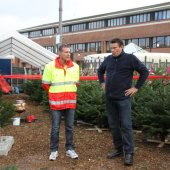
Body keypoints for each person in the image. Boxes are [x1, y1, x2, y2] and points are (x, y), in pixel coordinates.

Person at [97, 38, 149, 166]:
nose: (113, 50)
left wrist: (136, 88)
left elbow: (144, 71)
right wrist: (102, 82)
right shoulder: (108, 59)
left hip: (123, 99)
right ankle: (118, 149)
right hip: (110, 98)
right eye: (111, 48)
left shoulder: (130, 59)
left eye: (115, 48)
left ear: (122, 47)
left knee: (126, 126)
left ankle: (129, 153)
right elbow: (100, 70)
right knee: (114, 125)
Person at [42, 44, 80, 161]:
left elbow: (76, 83)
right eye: (65, 52)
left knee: (70, 127)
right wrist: (56, 95)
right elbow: (45, 84)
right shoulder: (50, 66)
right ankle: (54, 150)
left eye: (69, 52)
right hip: (56, 102)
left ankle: (70, 149)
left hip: (70, 102)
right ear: (59, 53)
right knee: (55, 128)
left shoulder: (75, 67)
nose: (68, 54)